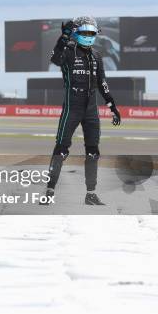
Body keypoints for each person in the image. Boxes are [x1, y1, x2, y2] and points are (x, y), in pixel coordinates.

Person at [43, 16, 122, 205]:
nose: (88, 36)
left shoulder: (96, 56)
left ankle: (91, 194)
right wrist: (63, 37)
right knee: (61, 149)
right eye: (85, 33)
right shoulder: (68, 51)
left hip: (91, 111)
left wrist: (112, 105)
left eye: (91, 33)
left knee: (93, 151)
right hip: (72, 107)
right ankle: (49, 191)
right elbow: (55, 59)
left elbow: (102, 83)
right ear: (77, 34)